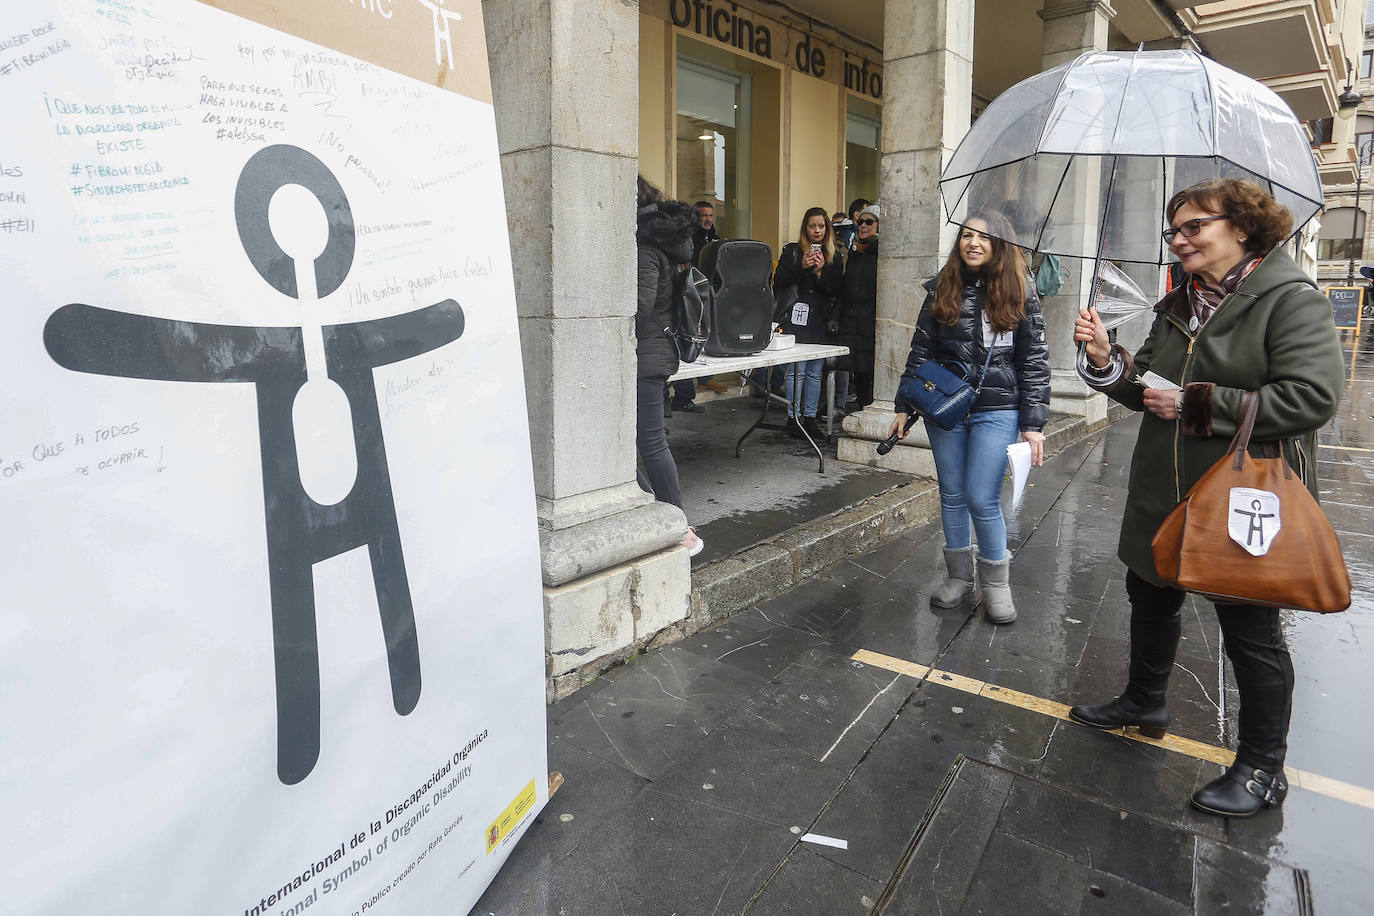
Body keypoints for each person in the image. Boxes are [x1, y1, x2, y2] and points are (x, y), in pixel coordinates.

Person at [1070, 178, 1343, 818]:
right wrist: (1110, 362)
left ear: (1241, 227)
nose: (1180, 239)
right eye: (1175, 230)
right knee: (1150, 593)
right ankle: (1145, 702)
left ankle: (1260, 769)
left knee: (1250, 632)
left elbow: (1313, 399)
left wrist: (1198, 404)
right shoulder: (1179, 302)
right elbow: (1149, 388)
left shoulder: (1288, 299)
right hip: (1163, 489)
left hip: (1242, 496)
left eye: (1194, 227)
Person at [887, 211, 1049, 624]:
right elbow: (921, 350)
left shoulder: (1020, 291)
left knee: (981, 496)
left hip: (998, 408)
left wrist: (1033, 425)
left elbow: (1034, 361)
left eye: (983, 237)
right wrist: (904, 406)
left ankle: (996, 584)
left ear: (1000, 244)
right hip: (947, 407)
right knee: (953, 494)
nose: (972, 243)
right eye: (965, 235)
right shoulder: (944, 287)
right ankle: (959, 578)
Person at [635, 175, 703, 557]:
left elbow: (639, 309)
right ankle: (663, 514)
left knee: (649, 441)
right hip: (657, 352)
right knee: (643, 440)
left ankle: (677, 525)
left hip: (647, 354)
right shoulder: (665, 241)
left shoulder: (646, 246)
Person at [774, 207, 843, 441]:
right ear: (805, 227)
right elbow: (779, 282)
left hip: (820, 319)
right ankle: (793, 418)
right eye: (812, 226)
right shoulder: (793, 252)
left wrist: (822, 271)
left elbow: (835, 290)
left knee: (815, 372)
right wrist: (801, 267)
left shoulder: (834, 254)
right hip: (795, 317)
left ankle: (810, 419)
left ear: (827, 228)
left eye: (821, 226)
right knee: (796, 372)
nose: (817, 231)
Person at [833, 203, 880, 415]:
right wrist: (836, 315)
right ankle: (860, 411)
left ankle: (869, 413)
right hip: (852, 320)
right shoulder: (855, 253)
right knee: (857, 371)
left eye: (869, 222)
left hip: (870, 322)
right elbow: (844, 288)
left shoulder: (881, 254)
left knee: (870, 373)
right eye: (860, 221)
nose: (863, 225)